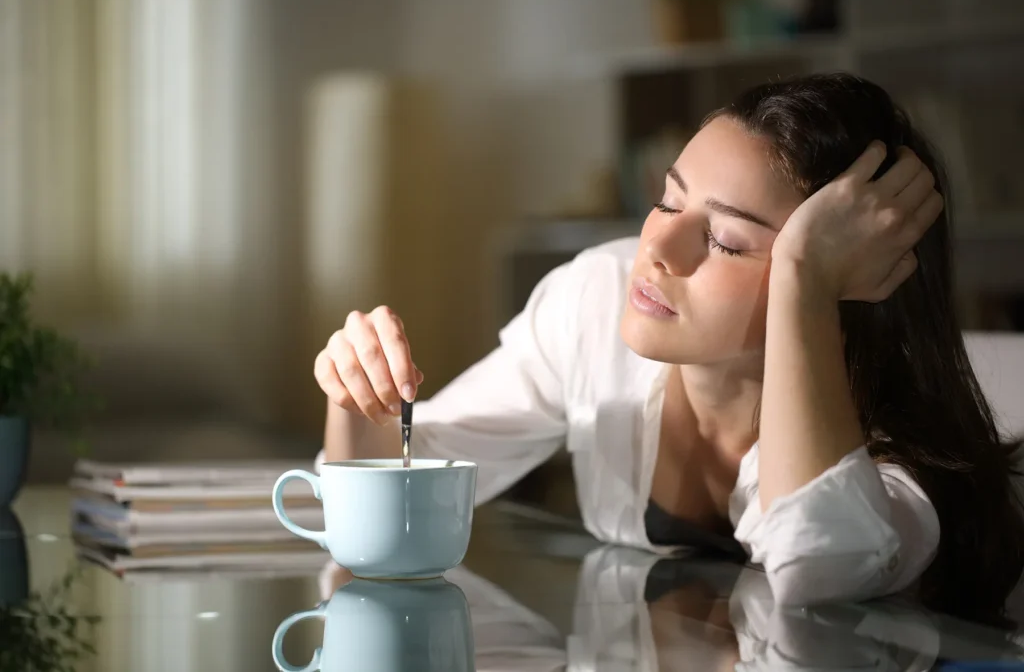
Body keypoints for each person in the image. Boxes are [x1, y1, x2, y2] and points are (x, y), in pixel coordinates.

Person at [312, 73, 1024, 624]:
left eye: (724, 240)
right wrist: (355, 394)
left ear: (850, 284)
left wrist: (803, 281)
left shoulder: (899, 448)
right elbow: (394, 492)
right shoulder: (592, 302)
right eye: (667, 199)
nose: (654, 248)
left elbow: (819, 566)